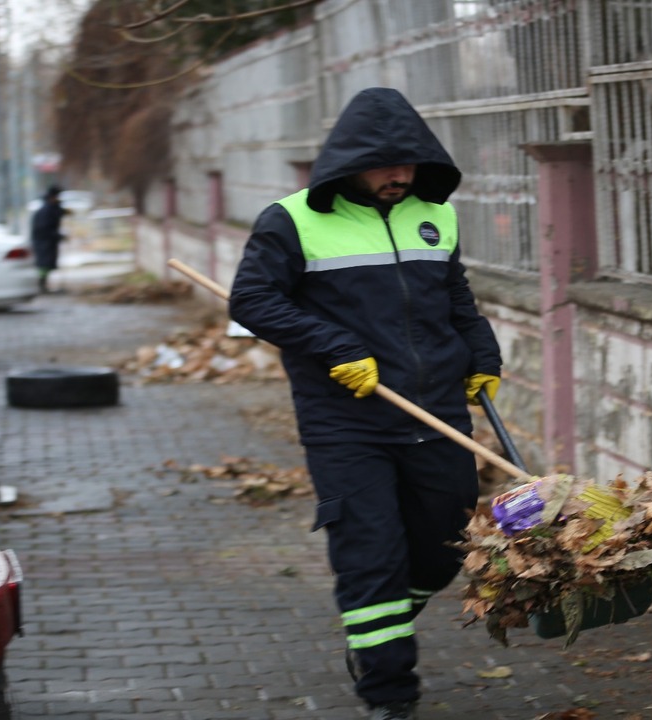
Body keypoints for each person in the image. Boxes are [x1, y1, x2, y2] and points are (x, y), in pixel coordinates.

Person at [228, 87, 502, 720]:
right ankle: (388, 691)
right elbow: (253, 301)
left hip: (438, 416)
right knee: (370, 555)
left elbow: (455, 297)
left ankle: (375, 628)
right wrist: (335, 347)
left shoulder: (435, 214)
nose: (398, 176)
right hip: (347, 422)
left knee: (443, 549)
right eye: (384, 165)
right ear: (350, 161)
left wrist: (483, 355)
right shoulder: (292, 221)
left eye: (408, 163)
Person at [30, 185, 68, 293]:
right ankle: (42, 286)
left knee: (46, 264)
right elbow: (44, 228)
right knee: (44, 264)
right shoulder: (46, 210)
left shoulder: (50, 208)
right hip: (43, 242)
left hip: (47, 241)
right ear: (52, 197)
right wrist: (58, 236)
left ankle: (43, 286)